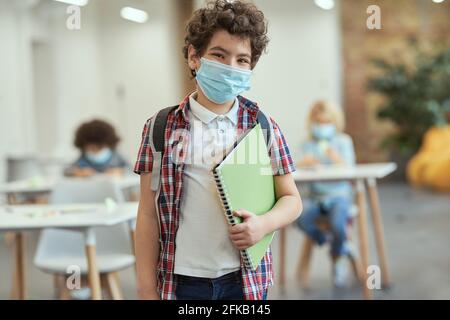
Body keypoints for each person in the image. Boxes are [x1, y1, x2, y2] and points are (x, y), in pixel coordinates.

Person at [134, 0, 302, 300]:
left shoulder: (262, 126)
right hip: (181, 282)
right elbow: (147, 214)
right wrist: (146, 288)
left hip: (243, 281)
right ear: (193, 57)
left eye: (242, 60)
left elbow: (292, 199)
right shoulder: (160, 127)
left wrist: (263, 225)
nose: (230, 67)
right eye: (219, 55)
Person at [296, 100, 357, 287]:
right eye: (319, 122)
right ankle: (333, 243)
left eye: (326, 122)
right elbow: (294, 169)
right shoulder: (307, 144)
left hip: (339, 197)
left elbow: (351, 170)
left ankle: (337, 257)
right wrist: (303, 164)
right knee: (301, 219)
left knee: (338, 225)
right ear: (312, 123)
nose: (322, 127)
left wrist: (336, 158)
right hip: (315, 198)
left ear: (335, 122)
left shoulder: (343, 141)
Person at [65, 119, 129, 177]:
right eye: (91, 148)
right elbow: (67, 170)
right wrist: (77, 172)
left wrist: (120, 171)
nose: (96, 151)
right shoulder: (83, 159)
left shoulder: (116, 157)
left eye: (100, 147)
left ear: (108, 144)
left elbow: (132, 170)